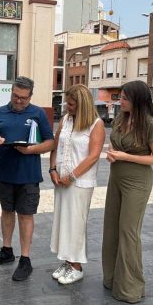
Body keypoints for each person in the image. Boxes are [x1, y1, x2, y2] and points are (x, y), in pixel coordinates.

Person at [0, 76, 54, 281]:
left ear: (30, 96)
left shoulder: (38, 113)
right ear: (11, 93)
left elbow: (50, 142)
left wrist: (31, 150)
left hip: (28, 175)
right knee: (6, 211)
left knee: (25, 215)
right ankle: (6, 250)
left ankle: (25, 258)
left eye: (23, 97)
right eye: (15, 96)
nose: (19, 100)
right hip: (3, 173)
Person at [102, 80, 153, 303]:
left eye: (125, 98)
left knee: (128, 231)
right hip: (116, 177)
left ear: (137, 100)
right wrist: (112, 152)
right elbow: (115, 144)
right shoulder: (122, 118)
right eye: (120, 96)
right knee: (111, 229)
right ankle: (111, 279)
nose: (121, 100)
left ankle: (130, 288)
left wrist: (125, 156)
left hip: (137, 182)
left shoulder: (151, 124)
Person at [49, 85, 105, 285]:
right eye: (67, 102)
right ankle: (67, 260)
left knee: (76, 223)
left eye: (71, 104)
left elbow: (93, 156)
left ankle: (77, 266)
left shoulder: (95, 124)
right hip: (62, 180)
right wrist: (52, 169)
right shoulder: (65, 120)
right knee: (63, 221)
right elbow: (56, 147)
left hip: (80, 182)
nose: (67, 106)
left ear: (82, 104)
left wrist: (71, 177)